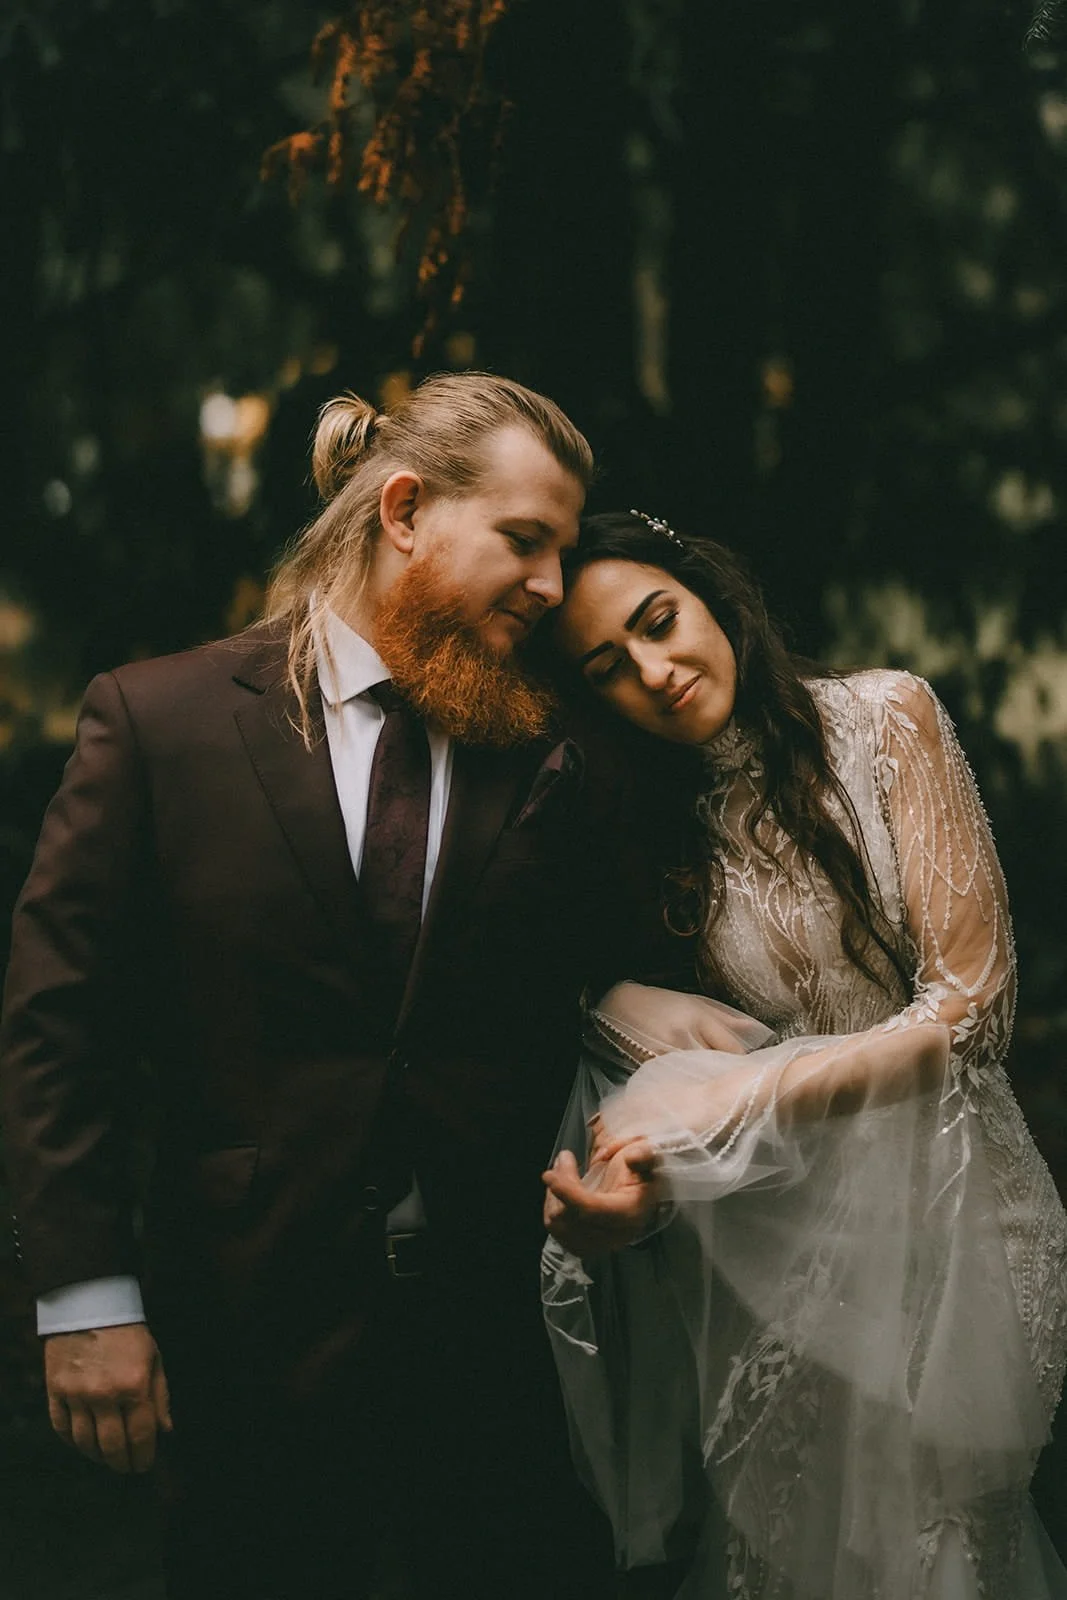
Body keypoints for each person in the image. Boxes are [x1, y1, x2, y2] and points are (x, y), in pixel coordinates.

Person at [0, 380, 675, 1600]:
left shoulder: (560, 740)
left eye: (560, 552)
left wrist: (641, 1154)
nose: (549, 585)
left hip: (503, 1344)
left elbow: (618, 980)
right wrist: (86, 1297)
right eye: (524, 540)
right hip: (245, 1330)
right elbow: (61, 1027)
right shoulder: (159, 722)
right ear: (404, 511)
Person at [540, 509, 1067, 1598]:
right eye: (608, 670)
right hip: (785, 1244)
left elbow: (970, 1009)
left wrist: (746, 1094)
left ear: (708, 593)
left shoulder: (883, 718)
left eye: (657, 621)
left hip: (951, 1212)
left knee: (942, 1549)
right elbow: (665, 1071)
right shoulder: (650, 822)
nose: (653, 672)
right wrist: (616, 1019)